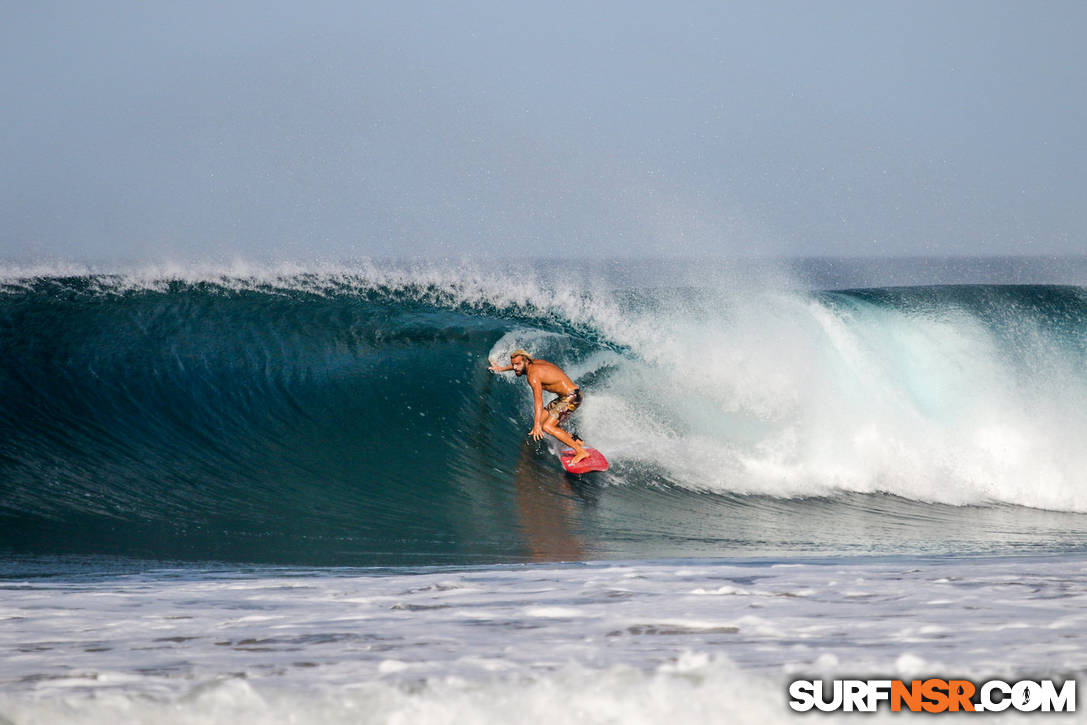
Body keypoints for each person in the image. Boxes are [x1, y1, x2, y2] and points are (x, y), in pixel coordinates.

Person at [489, 349, 590, 465]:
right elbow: (517, 365)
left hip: (572, 397)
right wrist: (501, 369)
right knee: (542, 423)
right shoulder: (534, 362)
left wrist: (536, 424)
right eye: (513, 364)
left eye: (517, 364)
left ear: (525, 361)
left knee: (547, 427)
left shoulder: (533, 376)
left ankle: (581, 451)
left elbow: (538, 401)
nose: (515, 367)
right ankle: (575, 439)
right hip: (566, 397)